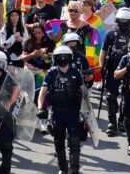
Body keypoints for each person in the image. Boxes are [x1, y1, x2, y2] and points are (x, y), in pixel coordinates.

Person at [38, 45, 85, 174]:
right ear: (55, 58)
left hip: (73, 112)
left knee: (74, 141)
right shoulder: (51, 73)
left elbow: (83, 91)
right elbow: (43, 92)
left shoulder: (76, 72)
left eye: (65, 56)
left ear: (70, 58)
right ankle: (63, 169)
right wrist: (40, 107)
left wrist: (87, 110)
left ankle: (74, 169)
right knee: (59, 142)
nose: (63, 59)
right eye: (60, 57)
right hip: (57, 112)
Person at [99, 7, 130, 137]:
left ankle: (122, 120)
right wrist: (101, 66)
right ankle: (112, 123)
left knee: (127, 98)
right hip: (113, 69)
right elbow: (103, 51)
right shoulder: (111, 34)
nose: (124, 21)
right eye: (121, 19)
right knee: (111, 96)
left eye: (126, 20)